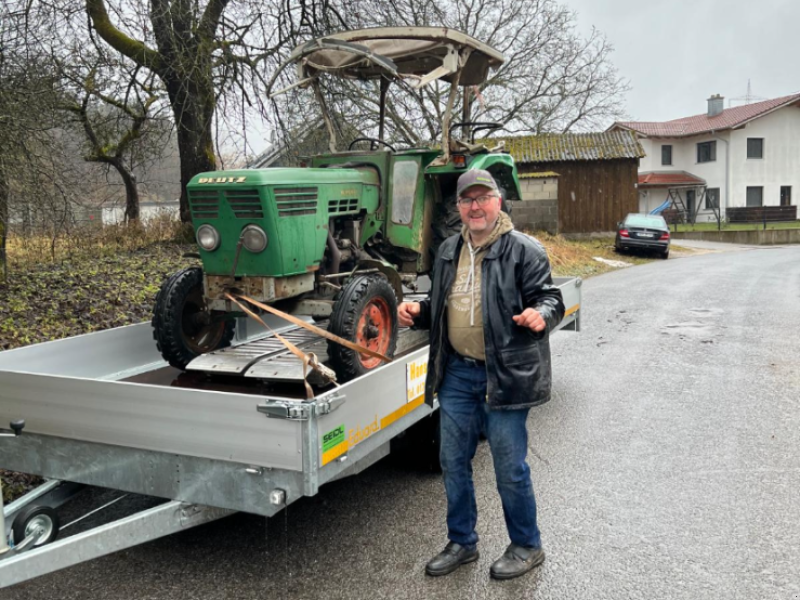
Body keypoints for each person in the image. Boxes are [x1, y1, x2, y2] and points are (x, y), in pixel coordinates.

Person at [398, 169, 565, 580]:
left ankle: (527, 545)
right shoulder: (448, 250)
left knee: (510, 467)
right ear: (458, 208)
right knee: (452, 461)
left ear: (498, 201)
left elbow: (550, 297)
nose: (475, 206)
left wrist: (541, 315)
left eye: (483, 198)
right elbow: (443, 302)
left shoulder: (524, 250)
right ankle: (462, 542)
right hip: (456, 373)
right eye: (467, 200)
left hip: (504, 375)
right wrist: (420, 311)